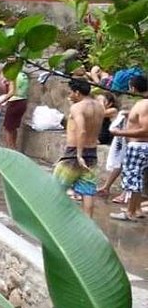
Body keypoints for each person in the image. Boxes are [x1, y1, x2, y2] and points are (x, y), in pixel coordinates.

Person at [53, 78, 105, 217]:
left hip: (75, 153)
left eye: (70, 92)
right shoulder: (100, 107)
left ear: (77, 92)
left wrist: (79, 155)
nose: (69, 95)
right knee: (88, 191)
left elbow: (82, 130)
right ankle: (88, 226)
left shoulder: (77, 107)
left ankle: (55, 219)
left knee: (56, 189)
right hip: (92, 153)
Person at [110, 75, 148, 221]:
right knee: (136, 177)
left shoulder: (144, 104)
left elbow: (145, 129)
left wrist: (119, 132)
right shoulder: (142, 104)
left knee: (132, 178)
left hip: (138, 146)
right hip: (141, 147)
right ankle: (136, 209)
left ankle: (130, 212)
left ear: (133, 88)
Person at [98, 107, 130, 202]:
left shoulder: (114, 110)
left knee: (131, 169)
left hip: (137, 144)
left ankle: (126, 194)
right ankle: (106, 187)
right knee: (120, 164)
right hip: (127, 142)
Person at [0, 69, 30, 149]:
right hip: (23, 101)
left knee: (8, 128)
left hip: (14, 102)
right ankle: (14, 146)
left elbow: (11, 92)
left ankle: (10, 148)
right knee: (13, 127)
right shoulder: (23, 75)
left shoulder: (13, 77)